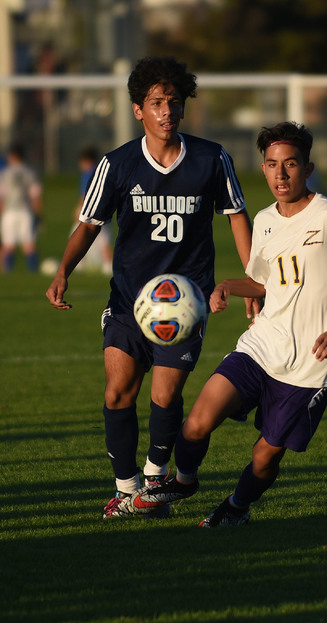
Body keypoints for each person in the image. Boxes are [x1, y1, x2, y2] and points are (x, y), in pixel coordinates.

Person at [117, 121, 327, 527]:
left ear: (308, 168)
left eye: (291, 164)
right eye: (271, 164)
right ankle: (185, 481)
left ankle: (236, 507)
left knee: (265, 457)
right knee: (196, 423)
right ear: (262, 168)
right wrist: (230, 286)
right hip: (261, 345)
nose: (281, 174)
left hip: (310, 364)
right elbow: (263, 280)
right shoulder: (263, 220)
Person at [45, 56, 259, 519]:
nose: (167, 110)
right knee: (117, 392)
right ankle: (127, 489)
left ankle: (155, 481)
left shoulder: (211, 158)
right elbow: (88, 224)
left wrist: (252, 280)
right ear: (139, 110)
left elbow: (237, 216)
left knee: (164, 395)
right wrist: (64, 269)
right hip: (128, 300)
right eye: (157, 102)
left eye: (174, 102)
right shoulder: (117, 164)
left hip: (186, 303)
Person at [0, 144, 42, 273]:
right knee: (29, 243)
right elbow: (35, 196)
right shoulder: (29, 172)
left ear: (12, 156)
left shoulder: (5, 173)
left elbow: (2, 196)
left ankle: (8, 272)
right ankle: (33, 272)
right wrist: (38, 215)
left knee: (8, 244)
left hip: (9, 211)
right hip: (25, 211)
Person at [72, 146, 113, 275]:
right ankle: (107, 265)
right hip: (105, 209)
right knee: (103, 240)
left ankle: (78, 263)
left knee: (80, 236)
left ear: (86, 160)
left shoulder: (88, 174)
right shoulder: (102, 170)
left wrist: (79, 210)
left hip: (92, 211)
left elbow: (86, 194)